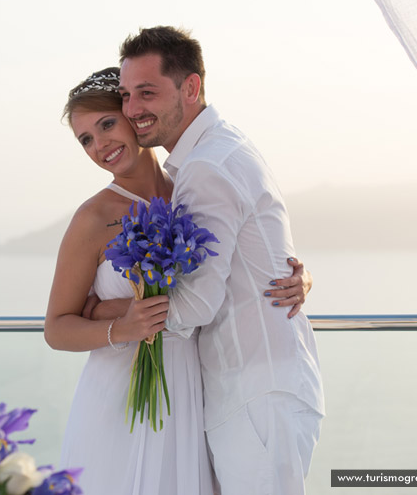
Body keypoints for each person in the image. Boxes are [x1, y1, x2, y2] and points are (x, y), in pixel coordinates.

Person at [44, 67, 314, 494]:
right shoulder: (92, 218)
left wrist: (299, 277)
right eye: (86, 140)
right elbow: (56, 328)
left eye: (107, 124)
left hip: (196, 390)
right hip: (121, 397)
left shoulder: (191, 187)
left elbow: (237, 258)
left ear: (132, 115)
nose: (100, 146)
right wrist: (120, 325)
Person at [115, 26, 325, 495]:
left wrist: (112, 314)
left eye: (146, 93)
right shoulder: (222, 148)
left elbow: (197, 305)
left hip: (255, 393)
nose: (132, 110)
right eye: (126, 95)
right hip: (262, 387)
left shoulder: (208, 166)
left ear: (191, 87)